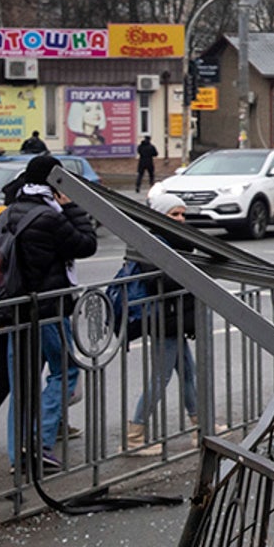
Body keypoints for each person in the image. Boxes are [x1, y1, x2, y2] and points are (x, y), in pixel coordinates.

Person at [1, 155, 100, 474]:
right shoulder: (50, 215)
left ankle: (19, 457)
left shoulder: (9, 212)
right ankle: (39, 444)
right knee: (66, 370)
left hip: (15, 310)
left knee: (22, 384)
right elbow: (86, 245)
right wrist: (72, 206)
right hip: (47, 309)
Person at [124, 195, 197, 456]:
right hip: (162, 320)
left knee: (188, 373)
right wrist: (191, 273)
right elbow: (162, 281)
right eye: (173, 214)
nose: (180, 219)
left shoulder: (175, 242)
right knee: (160, 377)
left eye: (182, 214)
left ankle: (201, 426)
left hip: (174, 318)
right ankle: (134, 437)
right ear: (159, 216)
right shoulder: (151, 242)